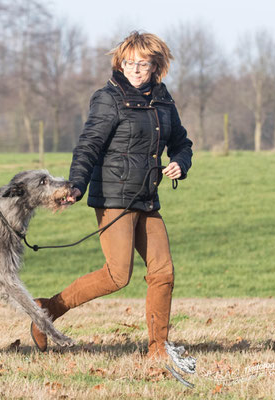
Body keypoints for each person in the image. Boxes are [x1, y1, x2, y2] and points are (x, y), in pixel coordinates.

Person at [30, 31, 193, 359]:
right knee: (118, 275)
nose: (135, 69)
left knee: (163, 273)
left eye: (142, 64)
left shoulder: (162, 99)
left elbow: (181, 142)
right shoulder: (108, 97)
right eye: (129, 63)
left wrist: (179, 162)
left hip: (147, 198)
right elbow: (89, 145)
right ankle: (48, 310)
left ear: (155, 65)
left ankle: (158, 348)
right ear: (120, 62)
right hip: (114, 198)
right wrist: (76, 184)